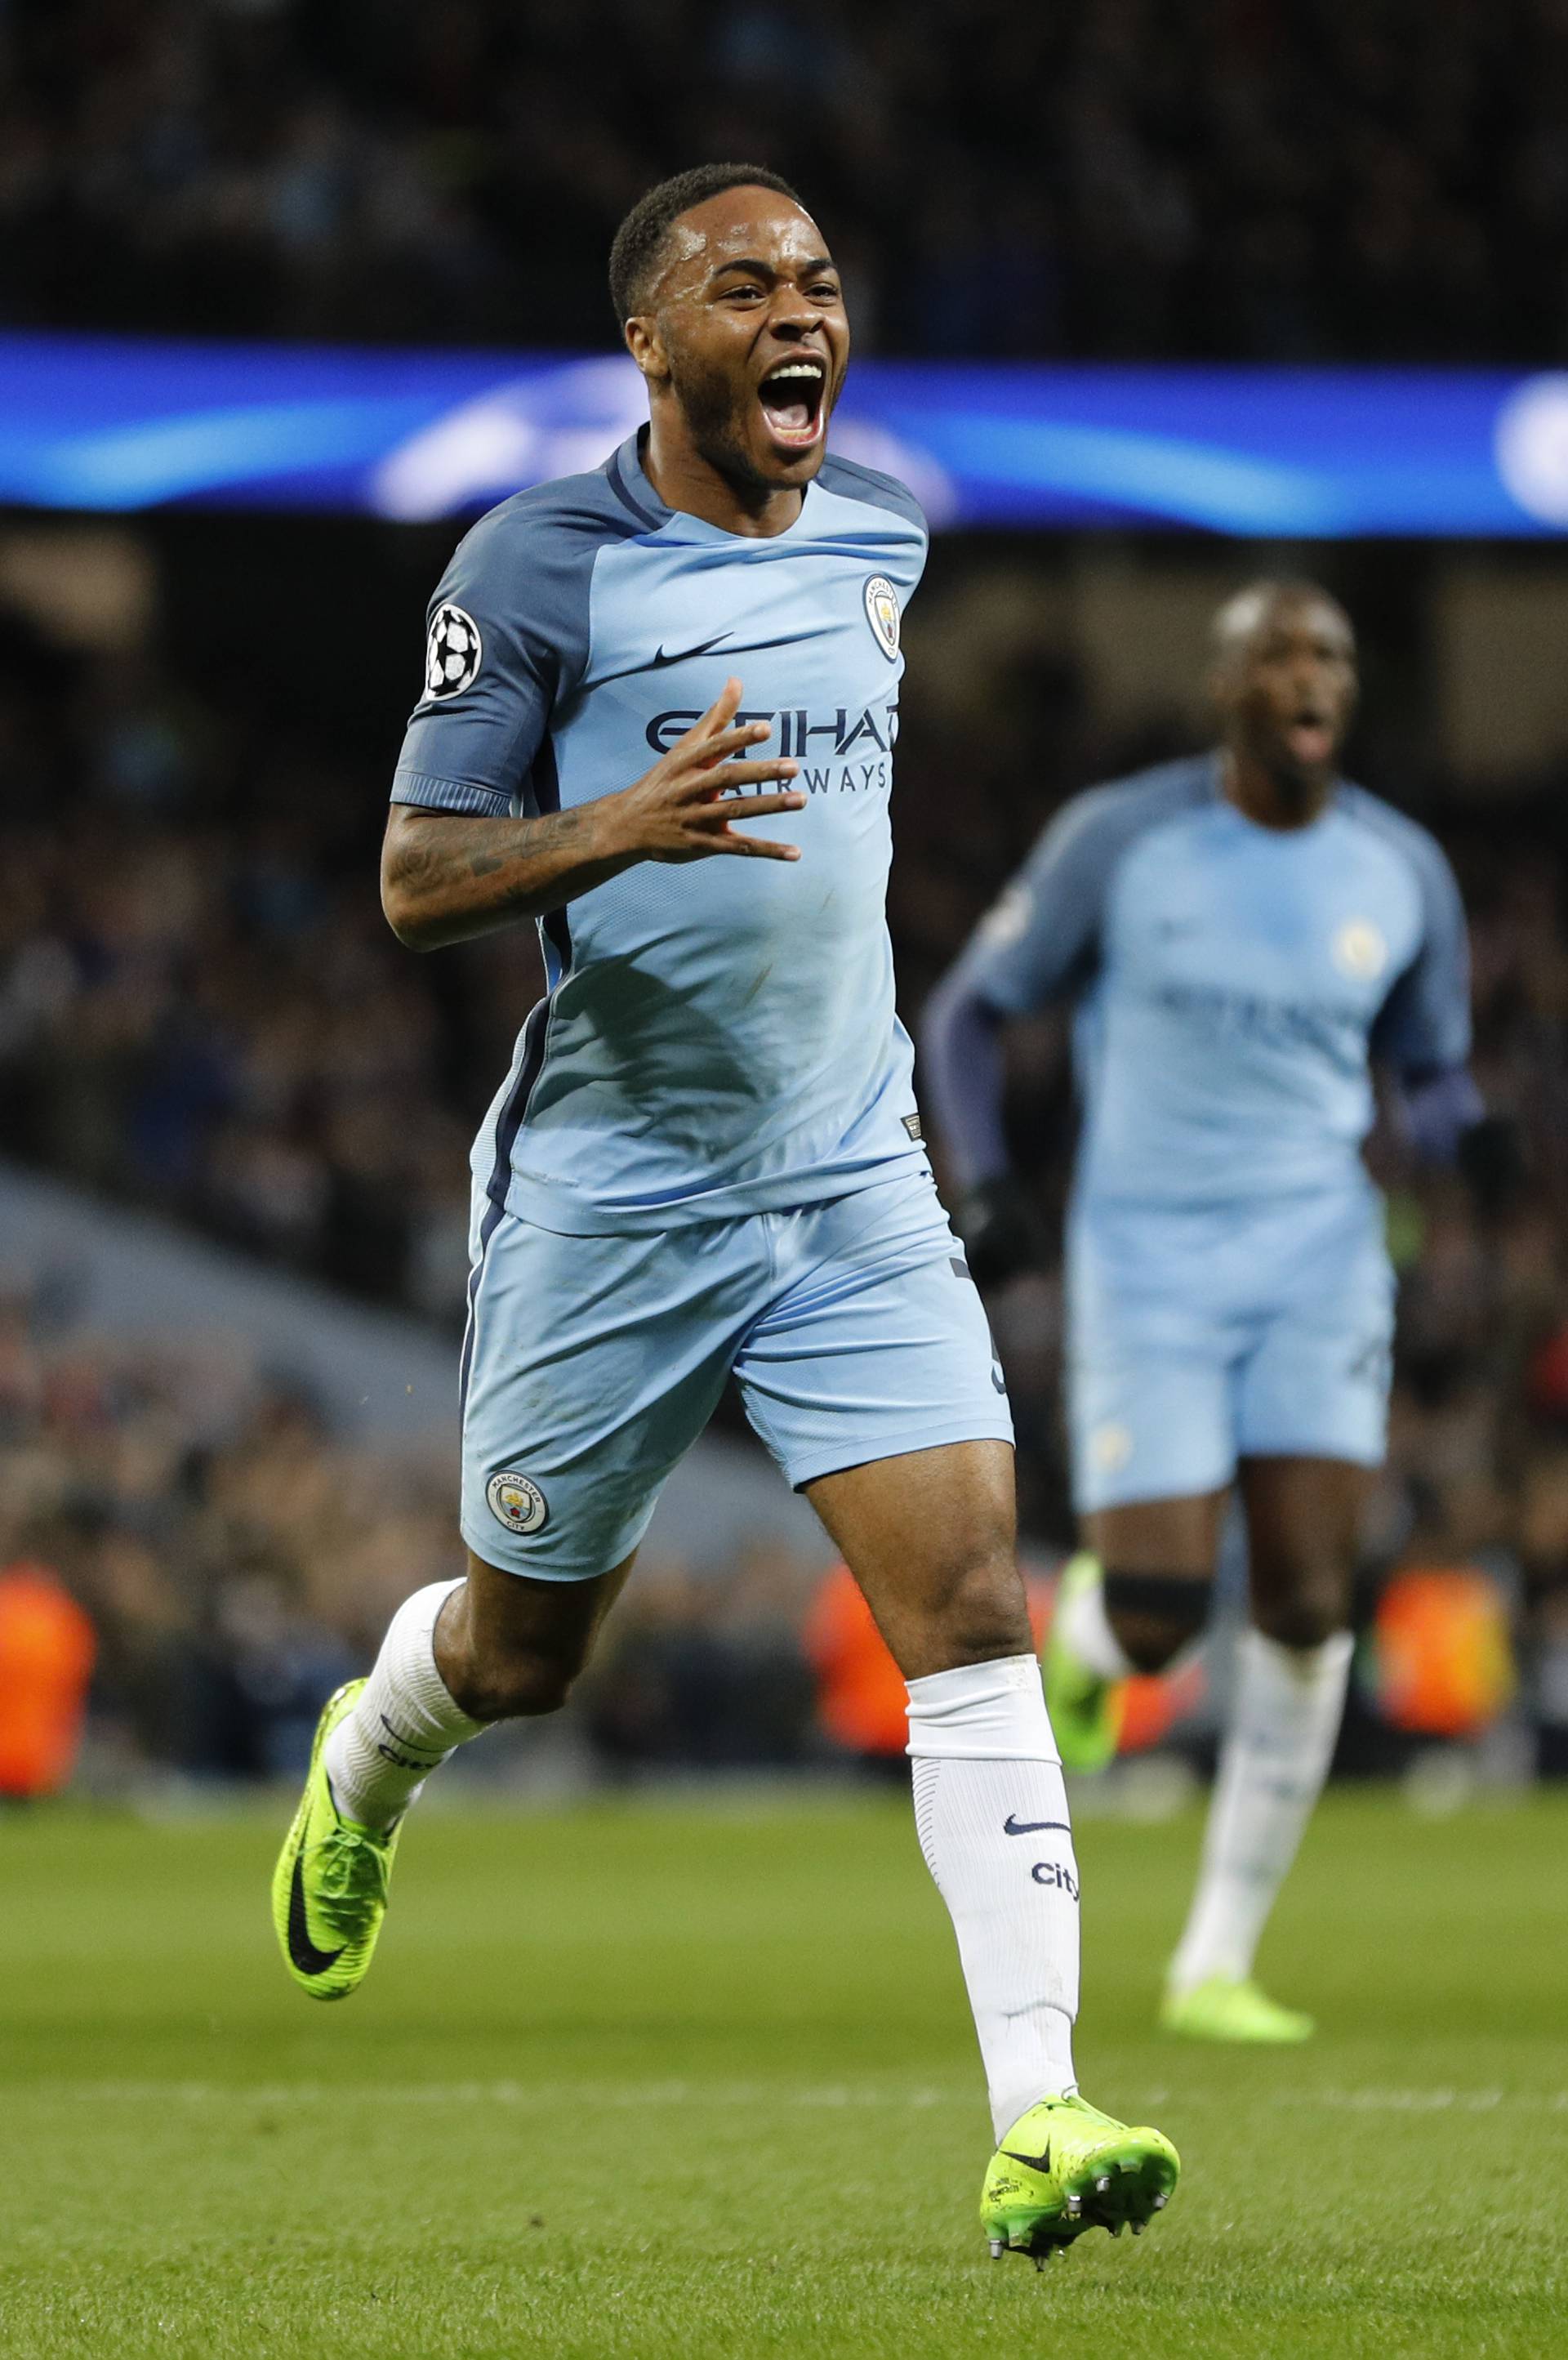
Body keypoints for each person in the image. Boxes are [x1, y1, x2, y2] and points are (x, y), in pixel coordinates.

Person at [270, 163, 1178, 2263]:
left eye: (825, 284)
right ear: (650, 341)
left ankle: (1039, 2108)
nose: (802, 315)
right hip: (617, 1183)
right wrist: (622, 822)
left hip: (851, 1163)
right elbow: (413, 878)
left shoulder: (887, 532)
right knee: (527, 1653)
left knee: (971, 1604)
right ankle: (373, 1747)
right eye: (747, 285)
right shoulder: (542, 562)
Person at [923, 580, 1504, 2042]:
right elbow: (968, 1014)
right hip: (1152, 1264)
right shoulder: (1123, 842)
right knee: (1168, 1609)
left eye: (1332, 656)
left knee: (1312, 1601)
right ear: (1227, 689)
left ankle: (1215, 1960)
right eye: (1280, 655)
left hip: (1321, 1262)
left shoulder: (1401, 872)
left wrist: (1463, 1124)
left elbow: (1428, 1065)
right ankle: (1095, 1643)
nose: (1310, 676)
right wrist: (986, 1177)